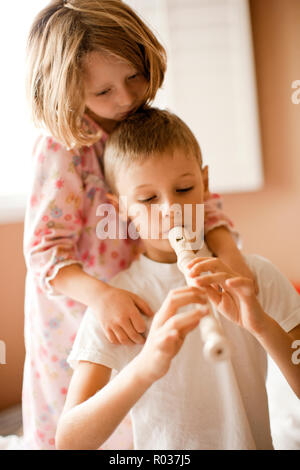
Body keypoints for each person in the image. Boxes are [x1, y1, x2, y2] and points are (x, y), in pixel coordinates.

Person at [24, 0, 257, 450]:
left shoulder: (143, 124)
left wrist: (231, 259)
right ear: (68, 93)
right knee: (84, 416)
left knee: (144, 419)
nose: (126, 99)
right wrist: (104, 297)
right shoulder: (61, 149)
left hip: (143, 294)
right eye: (103, 92)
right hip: (81, 311)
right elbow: (45, 253)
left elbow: (202, 203)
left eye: (134, 76)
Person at [55, 108, 300, 450]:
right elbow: (69, 441)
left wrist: (261, 325)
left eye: (184, 189)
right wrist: (145, 368)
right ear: (121, 207)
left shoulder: (252, 276)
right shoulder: (119, 303)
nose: (171, 209)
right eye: (147, 198)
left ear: (205, 185)